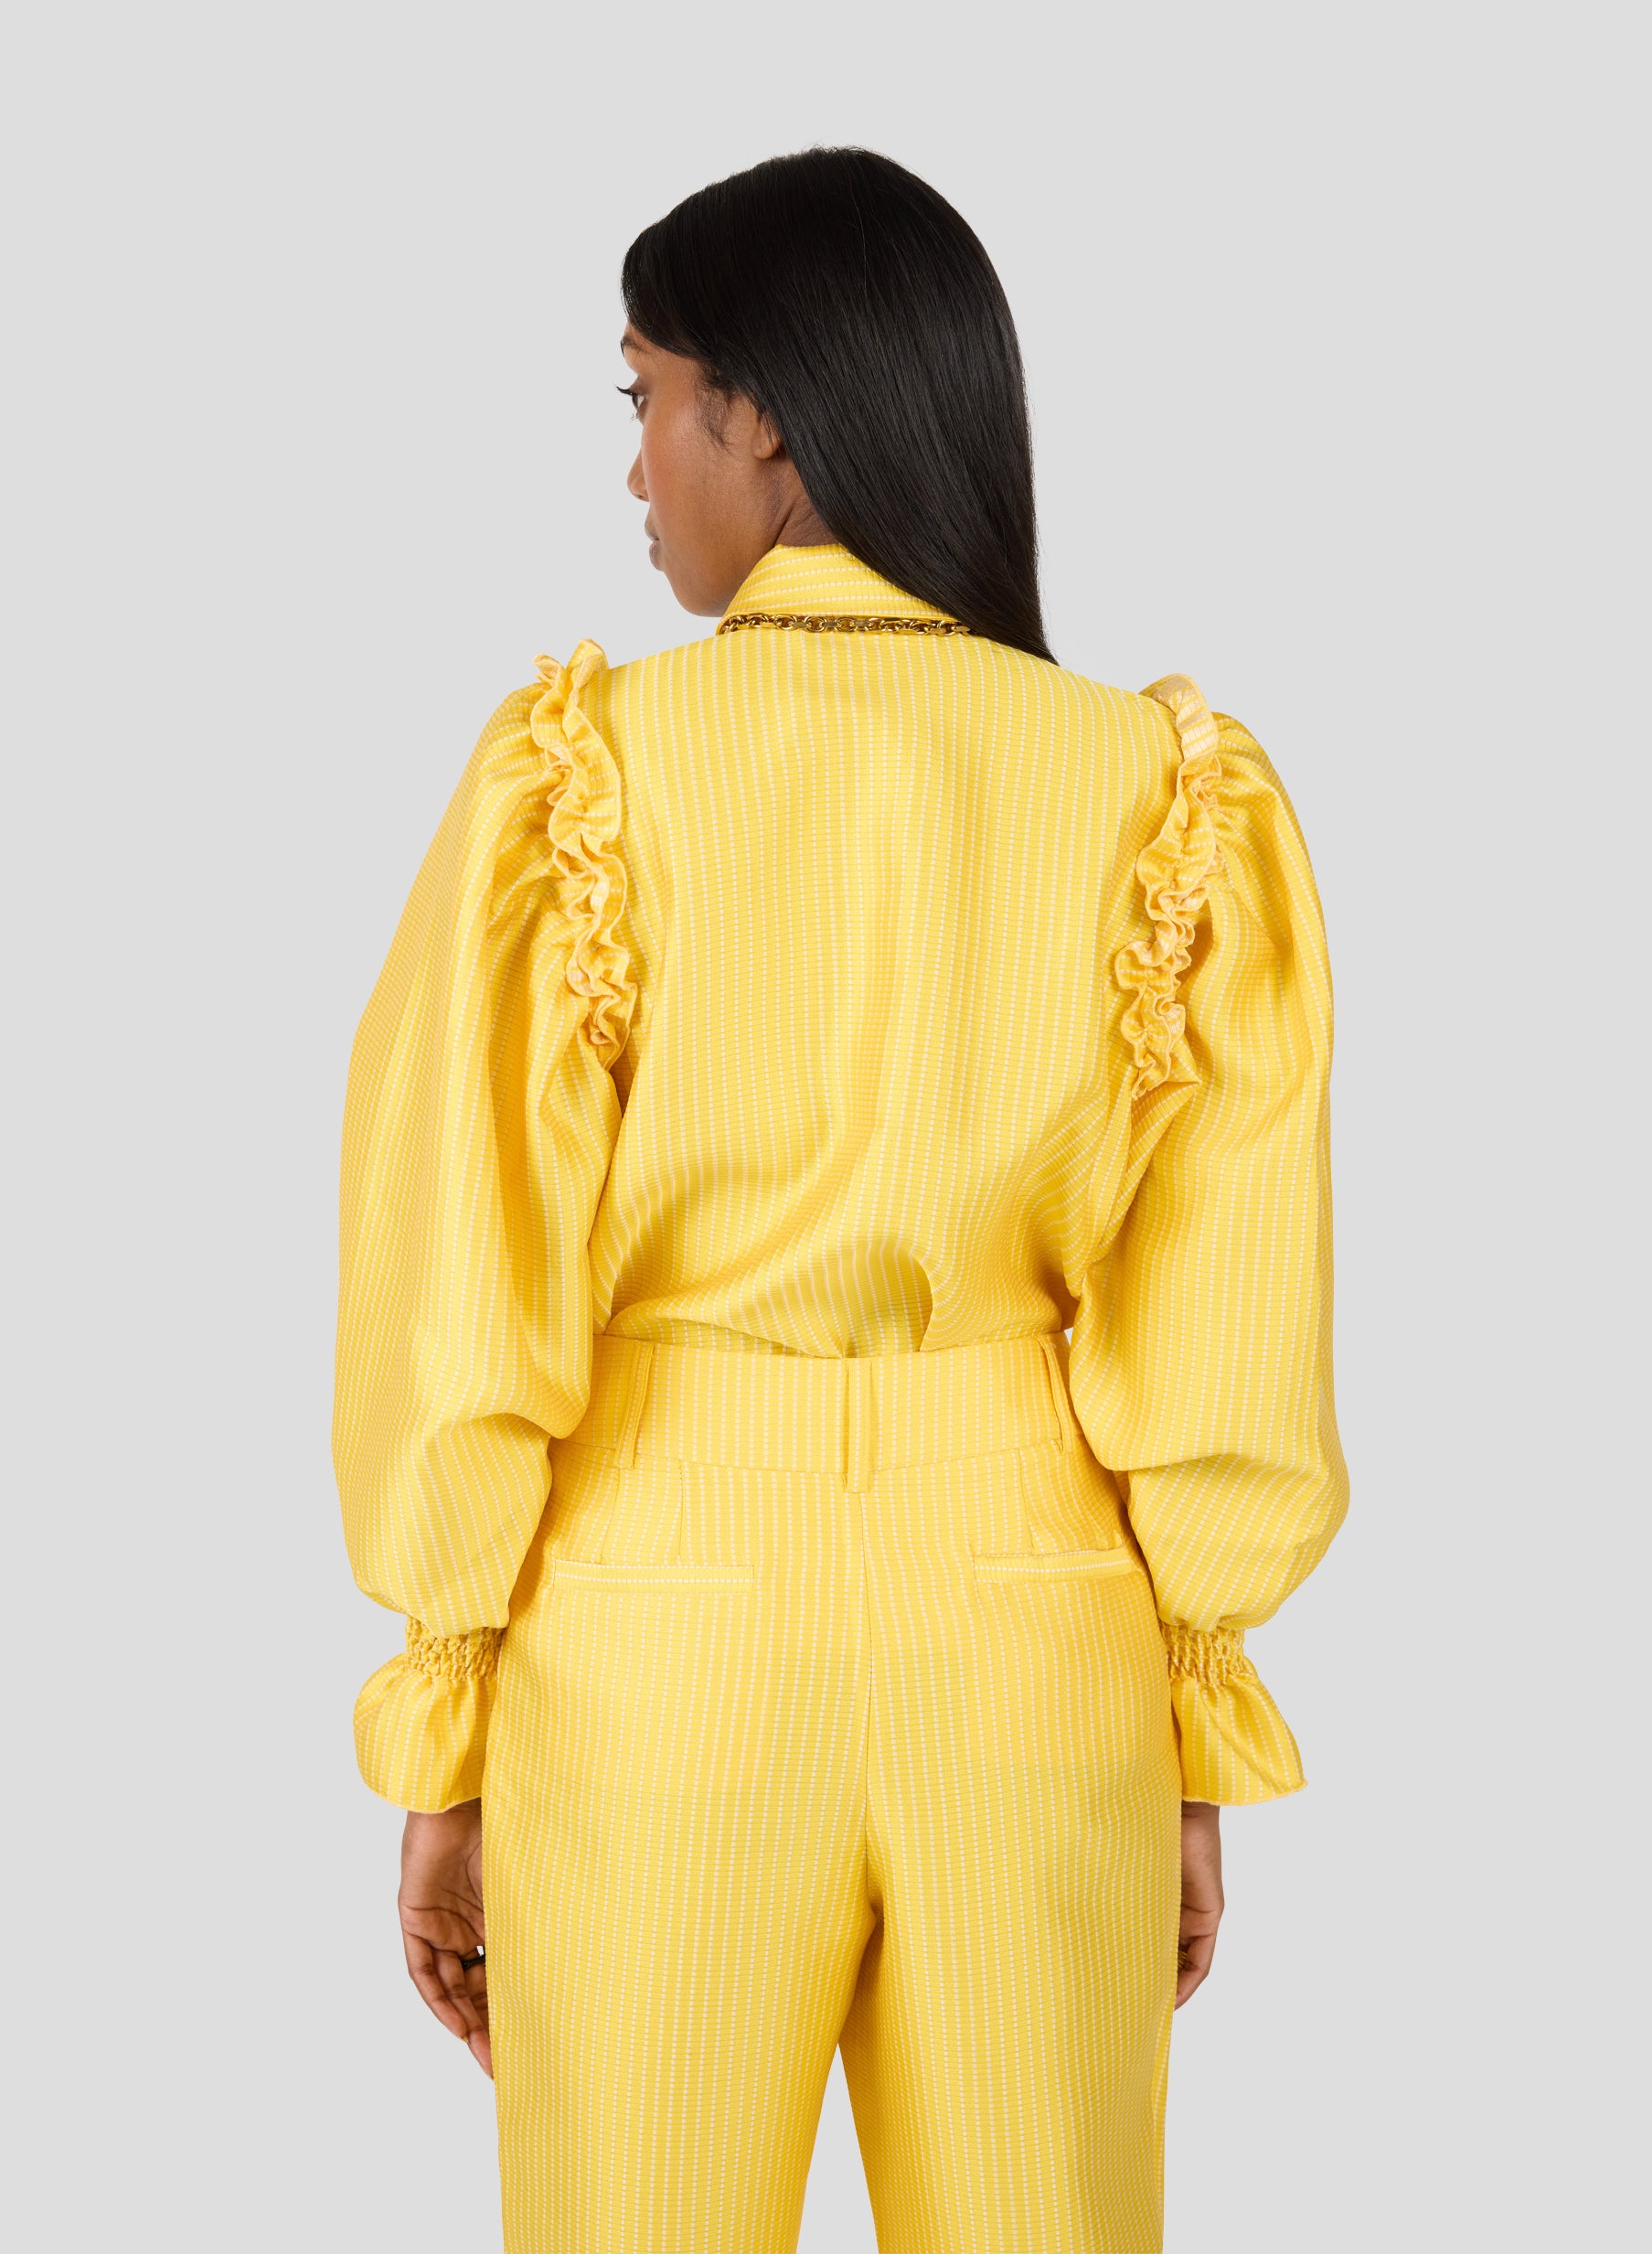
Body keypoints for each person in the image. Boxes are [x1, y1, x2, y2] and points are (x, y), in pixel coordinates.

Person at [333, 144, 1349, 2254]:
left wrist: (449, 1726)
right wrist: (1181, 1717)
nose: (628, 469)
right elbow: (1225, 1310)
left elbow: (457, 1283)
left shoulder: (581, 776)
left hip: (658, 1626)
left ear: (767, 420)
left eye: (643, 397)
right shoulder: (1155, 790)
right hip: (1034, 1626)